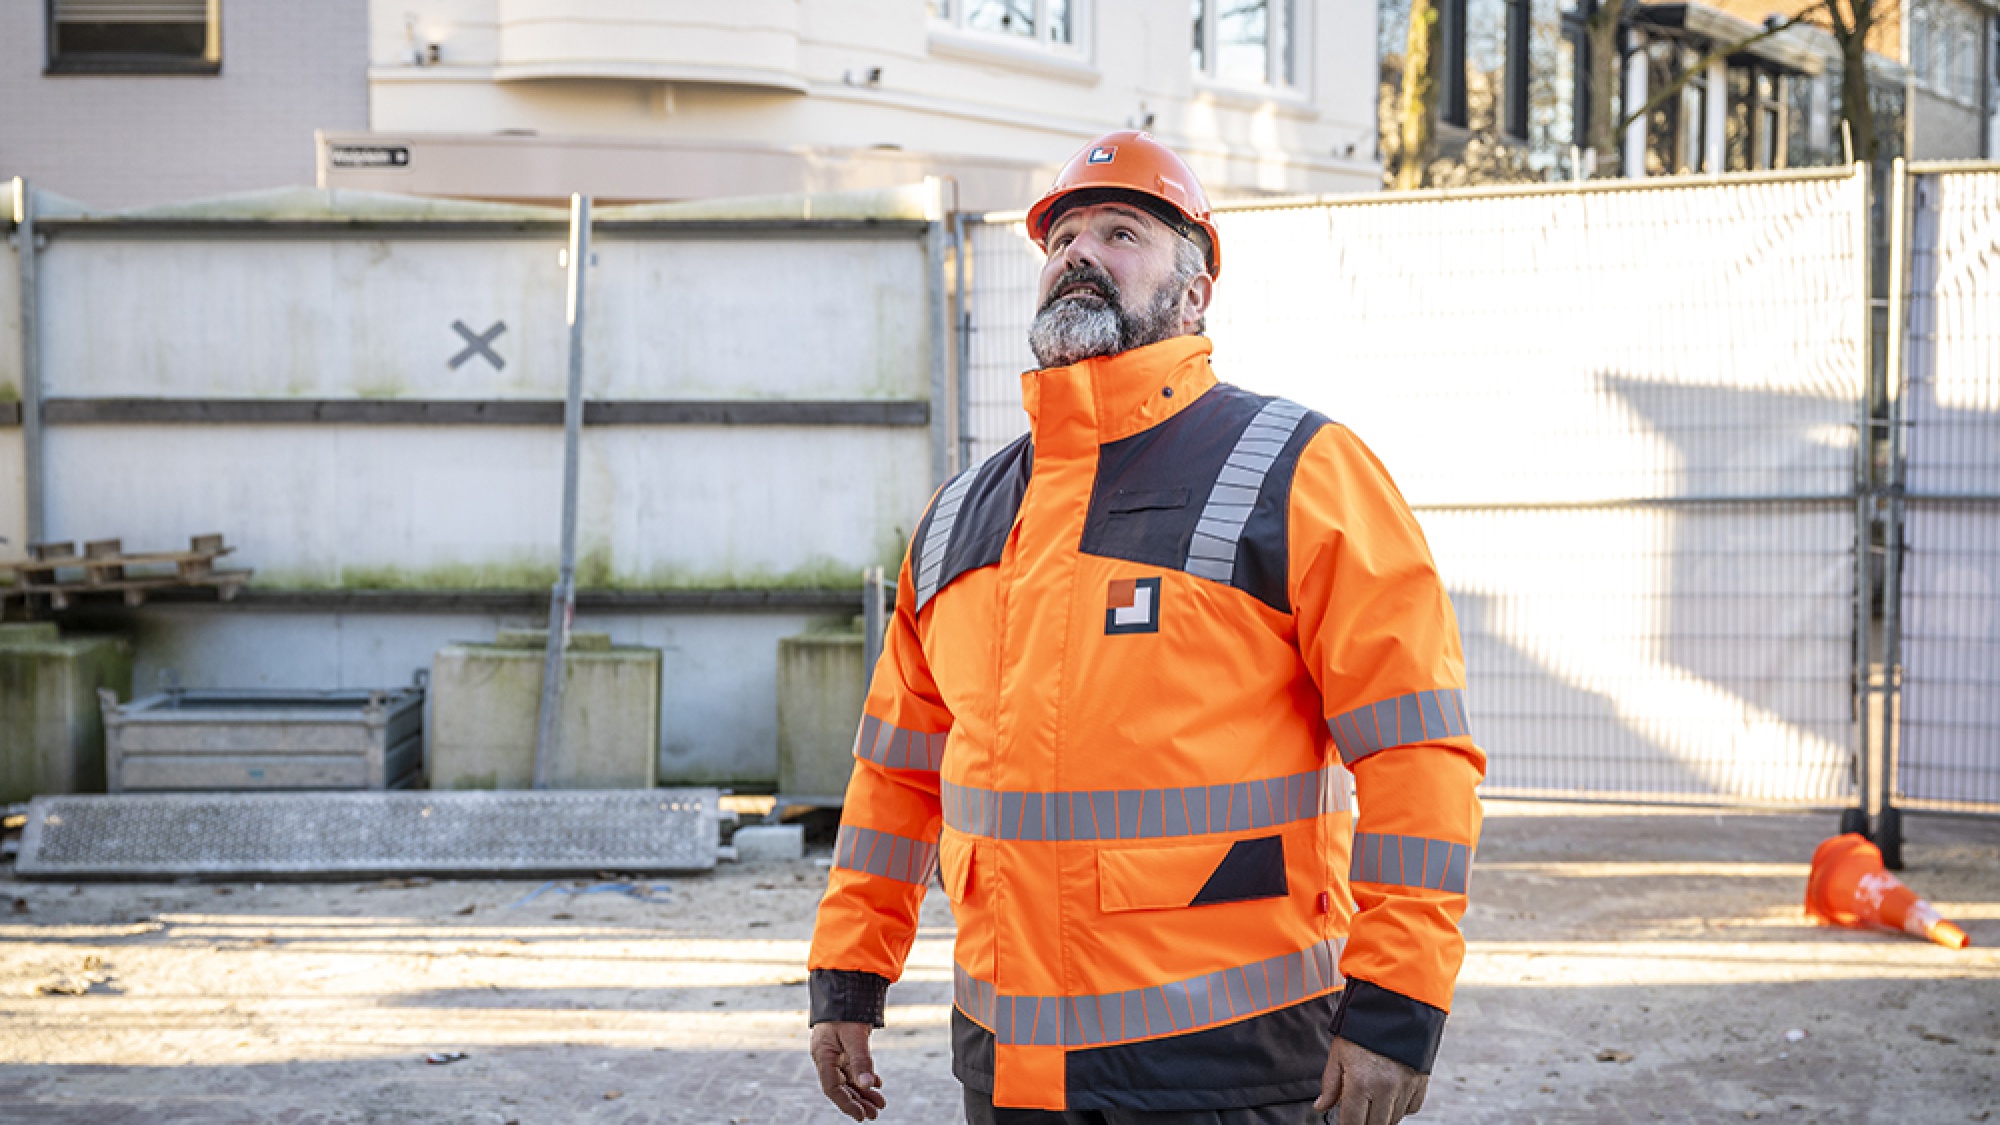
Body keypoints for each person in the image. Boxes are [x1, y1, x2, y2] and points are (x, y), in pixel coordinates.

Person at [806, 131, 1485, 1125]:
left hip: (1230, 1068)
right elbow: (896, 775)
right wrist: (847, 977)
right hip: (1006, 1066)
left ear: (1195, 292)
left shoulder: (1300, 471)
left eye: (1122, 232)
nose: (1078, 252)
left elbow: (1414, 753)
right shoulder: (957, 515)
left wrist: (1395, 1004)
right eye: (1062, 236)